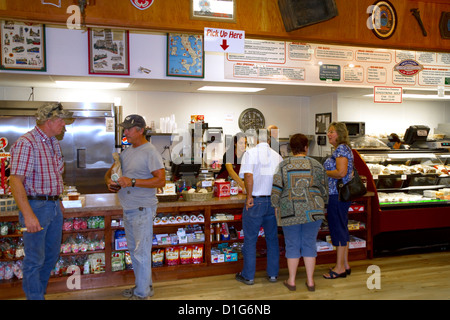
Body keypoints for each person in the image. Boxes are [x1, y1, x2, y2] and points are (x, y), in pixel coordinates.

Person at [9, 102, 73, 300]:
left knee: (51, 256)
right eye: (61, 120)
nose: (64, 124)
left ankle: (38, 295)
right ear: (49, 120)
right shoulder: (27, 142)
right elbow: (15, 181)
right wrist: (28, 214)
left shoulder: (53, 142)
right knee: (35, 260)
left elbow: (55, 176)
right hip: (36, 206)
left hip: (53, 206)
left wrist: (58, 202)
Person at [105, 114, 165, 299]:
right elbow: (112, 171)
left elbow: (160, 180)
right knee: (136, 252)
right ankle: (144, 286)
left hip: (142, 209)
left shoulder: (150, 152)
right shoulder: (127, 151)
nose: (125, 132)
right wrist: (110, 181)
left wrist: (131, 181)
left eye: (128, 129)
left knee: (141, 253)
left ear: (140, 130)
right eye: (124, 129)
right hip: (129, 208)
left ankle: (141, 294)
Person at [271, 134, 328, 291]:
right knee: (309, 244)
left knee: (292, 245)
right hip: (314, 209)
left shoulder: (283, 165)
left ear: (290, 148)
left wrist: (276, 206)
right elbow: (324, 189)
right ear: (305, 148)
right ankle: (310, 282)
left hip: (290, 210)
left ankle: (292, 281)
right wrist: (323, 204)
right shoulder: (317, 165)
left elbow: (276, 188)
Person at [235, 129, 282, 285]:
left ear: (254, 139)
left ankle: (248, 276)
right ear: (269, 140)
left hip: (255, 202)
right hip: (272, 202)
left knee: (250, 240)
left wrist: (249, 197)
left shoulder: (250, 153)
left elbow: (248, 175)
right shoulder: (278, 156)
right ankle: (273, 274)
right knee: (272, 239)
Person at [322, 122, 353, 279]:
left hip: (337, 195)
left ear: (340, 133)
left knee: (338, 230)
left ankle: (339, 268)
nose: (329, 134)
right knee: (342, 228)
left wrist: (324, 172)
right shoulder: (344, 149)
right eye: (328, 132)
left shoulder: (341, 149)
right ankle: (345, 264)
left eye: (332, 132)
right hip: (341, 195)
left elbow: (341, 173)